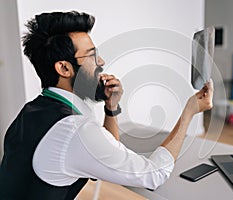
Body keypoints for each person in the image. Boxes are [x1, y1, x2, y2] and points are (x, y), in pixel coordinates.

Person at [0, 11, 213, 200]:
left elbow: (105, 151)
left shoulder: (32, 111)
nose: (101, 61)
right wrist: (189, 111)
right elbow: (154, 175)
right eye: (92, 55)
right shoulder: (75, 131)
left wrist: (110, 107)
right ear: (64, 68)